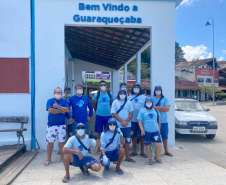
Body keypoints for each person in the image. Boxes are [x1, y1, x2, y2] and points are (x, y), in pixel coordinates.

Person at [44, 87, 70, 166]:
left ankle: (62, 158)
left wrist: (58, 107)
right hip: (51, 125)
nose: (58, 94)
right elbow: (51, 110)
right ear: (54, 93)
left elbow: (67, 110)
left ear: (62, 94)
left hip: (61, 125)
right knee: (50, 142)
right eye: (57, 92)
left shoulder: (64, 101)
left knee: (61, 142)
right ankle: (48, 159)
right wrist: (61, 110)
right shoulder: (50, 101)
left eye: (59, 93)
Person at [111, 89, 135, 163]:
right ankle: (117, 157)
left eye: (124, 93)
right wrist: (122, 121)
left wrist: (126, 122)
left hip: (127, 125)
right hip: (118, 125)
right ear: (118, 94)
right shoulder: (115, 102)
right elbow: (113, 113)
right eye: (121, 93)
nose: (122, 95)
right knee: (117, 142)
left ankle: (127, 157)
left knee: (127, 141)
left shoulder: (129, 102)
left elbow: (131, 113)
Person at [137, 97, 162, 165]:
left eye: (150, 102)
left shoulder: (155, 110)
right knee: (148, 145)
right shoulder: (142, 111)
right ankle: (150, 159)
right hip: (146, 131)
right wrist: (142, 129)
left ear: (152, 103)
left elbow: (159, 120)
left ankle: (156, 157)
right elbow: (139, 121)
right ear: (145, 103)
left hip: (155, 131)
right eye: (147, 102)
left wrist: (159, 129)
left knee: (159, 145)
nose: (148, 103)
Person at [93, 80, 113, 154]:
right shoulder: (97, 95)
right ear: (99, 86)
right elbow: (94, 104)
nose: (103, 86)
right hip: (99, 116)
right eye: (101, 85)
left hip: (108, 116)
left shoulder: (109, 94)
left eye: (104, 85)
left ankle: (107, 147)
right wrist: (98, 111)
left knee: (108, 132)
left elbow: (112, 104)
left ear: (106, 86)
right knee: (99, 133)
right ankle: (98, 148)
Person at [151, 85, 173, 157]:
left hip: (164, 121)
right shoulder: (152, 99)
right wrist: (162, 107)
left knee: (165, 136)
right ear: (154, 91)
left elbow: (167, 109)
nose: (158, 91)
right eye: (156, 89)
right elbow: (151, 108)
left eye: (159, 89)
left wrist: (157, 107)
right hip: (154, 122)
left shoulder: (165, 99)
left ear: (161, 90)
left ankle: (166, 150)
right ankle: (154, 151)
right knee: (155, 137)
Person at [128, 83, 147, 158]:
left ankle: (142, 151)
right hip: (132, 120)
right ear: (132, 89)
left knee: (142, 136)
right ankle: (134, 151)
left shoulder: (144, 97)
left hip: (141, 120)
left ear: (140, 89)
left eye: (137, 87)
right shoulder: (129, 97)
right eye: (134, 87)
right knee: (133, 136)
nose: (136, 89)